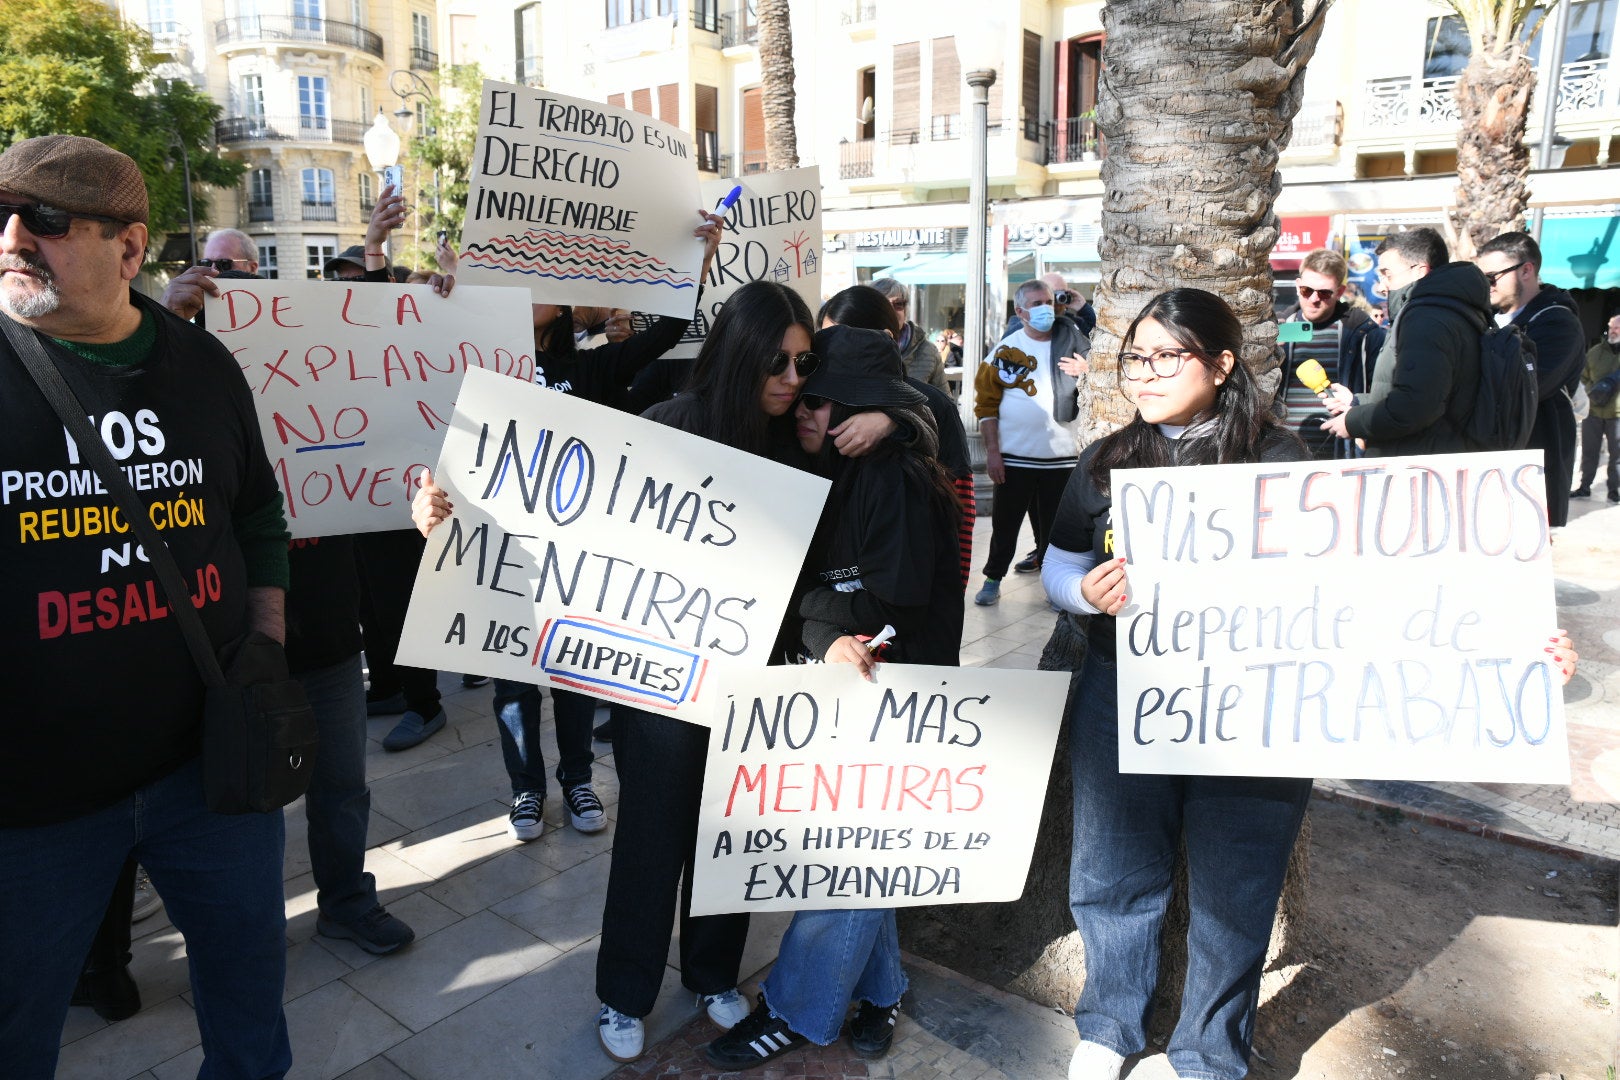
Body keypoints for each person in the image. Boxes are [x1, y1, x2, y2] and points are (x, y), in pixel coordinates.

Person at [1040, 288, 1580, 1080]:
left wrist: (1511, 645)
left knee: (1236, 885)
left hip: (1260, 708)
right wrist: (1081, 595)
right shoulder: (1106, 459)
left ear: (1222, 365)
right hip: (1123, 693)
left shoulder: (1284, 460)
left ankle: (1205, 1054)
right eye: (1136, 358)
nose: (1144, 374)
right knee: (1111, 873)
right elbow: (1060, 561)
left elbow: (1369, 586)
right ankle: (1109, 1027)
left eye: (1166, 356)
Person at [0, 134, 292, 1077]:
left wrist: (264, 645)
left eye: (45, 218)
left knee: (251, 1018)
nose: (12, 236)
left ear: (130, 250)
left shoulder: (206, 368)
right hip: (29, 810)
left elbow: (257, 515)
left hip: (207, 777)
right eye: (1, 215)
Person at [591, 280, 899, 1063]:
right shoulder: (665, 425)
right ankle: (623, 996)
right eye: (781, 362)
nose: (796, 380)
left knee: (730, 836)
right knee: (652, 839)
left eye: (806, 363)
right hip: (661, 681)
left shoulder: (796, 444)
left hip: (753, 685)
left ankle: (711, 976)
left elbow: (805, 578)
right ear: (739, 350)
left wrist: (824, 637)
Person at [160, 189, 420, 956]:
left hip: (329, 619)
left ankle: (346, 899)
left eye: (242, 270)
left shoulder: (304, 345)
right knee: (244, 789)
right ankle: (243, 926)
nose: (228, 282)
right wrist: (171, 319)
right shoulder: (180, 364)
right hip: (229, 630)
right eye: (212, 270)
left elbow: (382, 343)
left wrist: (381, 252)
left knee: (342, 783)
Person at [704, 324, 963, 1071]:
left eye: (823, 401)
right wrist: (817, 627)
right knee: (858, 855)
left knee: (845, 859)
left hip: (896, 694)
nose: (803, 411)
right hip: (842, 689)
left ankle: (794, 1008)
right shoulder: (816, 465)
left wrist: (803, 612)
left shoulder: (896, 478)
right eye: (802, 398)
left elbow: (893, 603)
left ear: (858, 410)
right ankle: (882, 992)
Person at [483, 208, 725, 842]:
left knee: (569, 675)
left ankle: (577, 779)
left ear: (564, 308)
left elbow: (666, 331)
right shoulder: (479, 360)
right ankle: (526, 790)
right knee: (513, 682)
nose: (532, 291)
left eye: (543, 285)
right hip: (503, 545)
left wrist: (694, 265)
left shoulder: (588, 371)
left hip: (573, 547)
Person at [819, 284, 976, 586]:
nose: (832, 350)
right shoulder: (816, 398)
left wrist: (951, 593)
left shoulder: (934, 405)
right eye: (825, 339)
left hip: (911, 591)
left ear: (884, 339)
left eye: (845, 338)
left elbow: (962, 509)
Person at [1319, 227, 1489, 457]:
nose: (1382, 286)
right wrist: (1357, 401)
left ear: (1420, 271)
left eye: (1387, 274)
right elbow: (1423, 389)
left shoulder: (1427, 318)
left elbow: (1415, 405)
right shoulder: (1442, 311)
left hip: (1419, 463)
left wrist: (1354, 421)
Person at [973, 278, 1087, 604]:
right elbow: (985, 406)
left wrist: (1088, 369)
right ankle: (993, 579)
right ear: (1020, 311)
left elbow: (1104, 379)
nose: (1044, 309)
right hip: (1016, 460)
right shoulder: (1006, 350)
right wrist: (992, 452)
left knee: (1055, 531)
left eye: (1048, 302)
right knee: (1005, 527)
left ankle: (1054, 587)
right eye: (1036, 304)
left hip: (1064, 460)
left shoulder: (1074, 342)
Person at [1475, 232, 1586, 527]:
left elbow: (1528, 389)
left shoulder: (1558, 322)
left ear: (1526, 270)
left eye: (1492, 276)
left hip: (1531, 471)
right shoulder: (1489, 319)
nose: (1487, 286)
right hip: (1491, 465)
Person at [1276, 248, 1385, 458]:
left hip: (1343, 451)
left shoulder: (1362, 332)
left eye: (1324, 293)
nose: (1314, 299)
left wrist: (1359, 414)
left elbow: (1384, 392)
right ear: (1298, 285)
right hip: (1286, 451)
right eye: (1307, 290)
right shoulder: (1279, 328)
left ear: (1340, 291)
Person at [869, 277, 948, 390]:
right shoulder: (855, 347)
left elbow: (946, 404)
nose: (891, 311)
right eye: (884, 304)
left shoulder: (928, 350)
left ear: (905, 309)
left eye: (898, 304)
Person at [1574, 313, 1620, 503]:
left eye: (1617, 328)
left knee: (1617, 455)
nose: (1613, 331)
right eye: (1611, 327)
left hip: (1617, 413)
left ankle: (1614, 490)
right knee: (1589, 452)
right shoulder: (1594, 352)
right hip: (1593, 411)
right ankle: (1584, 486)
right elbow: (1583, 378)